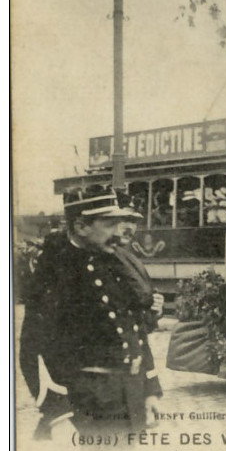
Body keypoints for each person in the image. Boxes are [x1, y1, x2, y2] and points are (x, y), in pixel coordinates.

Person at [19, 185, 162, 438]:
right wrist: (57, 412)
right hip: (87, 403)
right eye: (109, 224)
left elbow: (134, 328)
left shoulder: (115, 262)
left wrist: (150, 388)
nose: (119, 232)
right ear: (81, 226)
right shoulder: (56, 269)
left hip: (129, 394)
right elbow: (34, 347)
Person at [114, 202, 164, 335]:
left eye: (134, 222)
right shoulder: (104, 260)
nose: (129, 227)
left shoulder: (132, 260)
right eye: (123, 220)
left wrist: (156, 309)